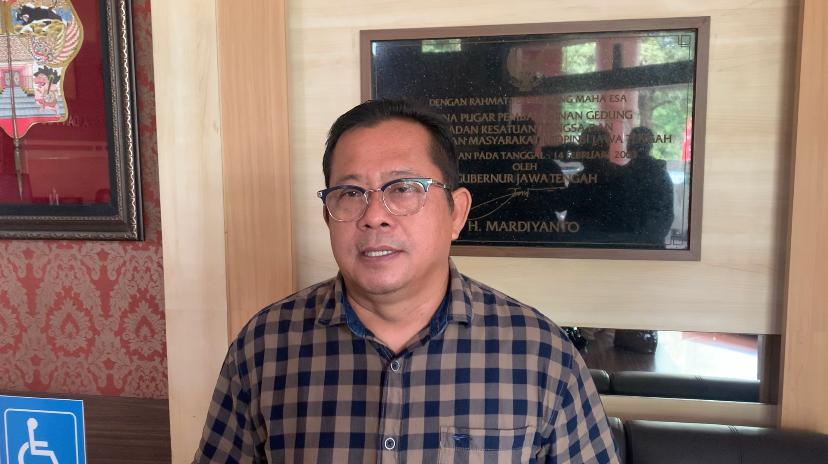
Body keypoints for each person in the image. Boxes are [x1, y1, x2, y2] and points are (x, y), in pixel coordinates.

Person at [193, 99, 620, 463]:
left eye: (403, 188)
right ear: (328, 216)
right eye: (351, 193)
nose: (374, 216)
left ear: (456, 212)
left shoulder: (541, 355)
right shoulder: (265, 347)